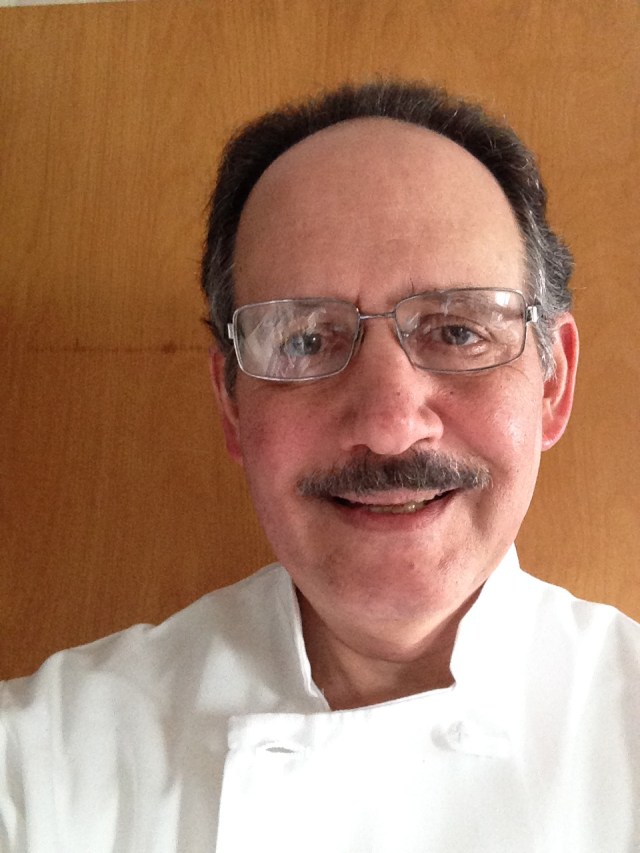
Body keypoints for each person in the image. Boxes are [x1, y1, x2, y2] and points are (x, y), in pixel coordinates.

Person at [1, 80, 638, 852]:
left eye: (458, 330)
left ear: (552, 384)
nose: (390, 427)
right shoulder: (45, 764)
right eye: (304, 339)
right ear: (232, 404)